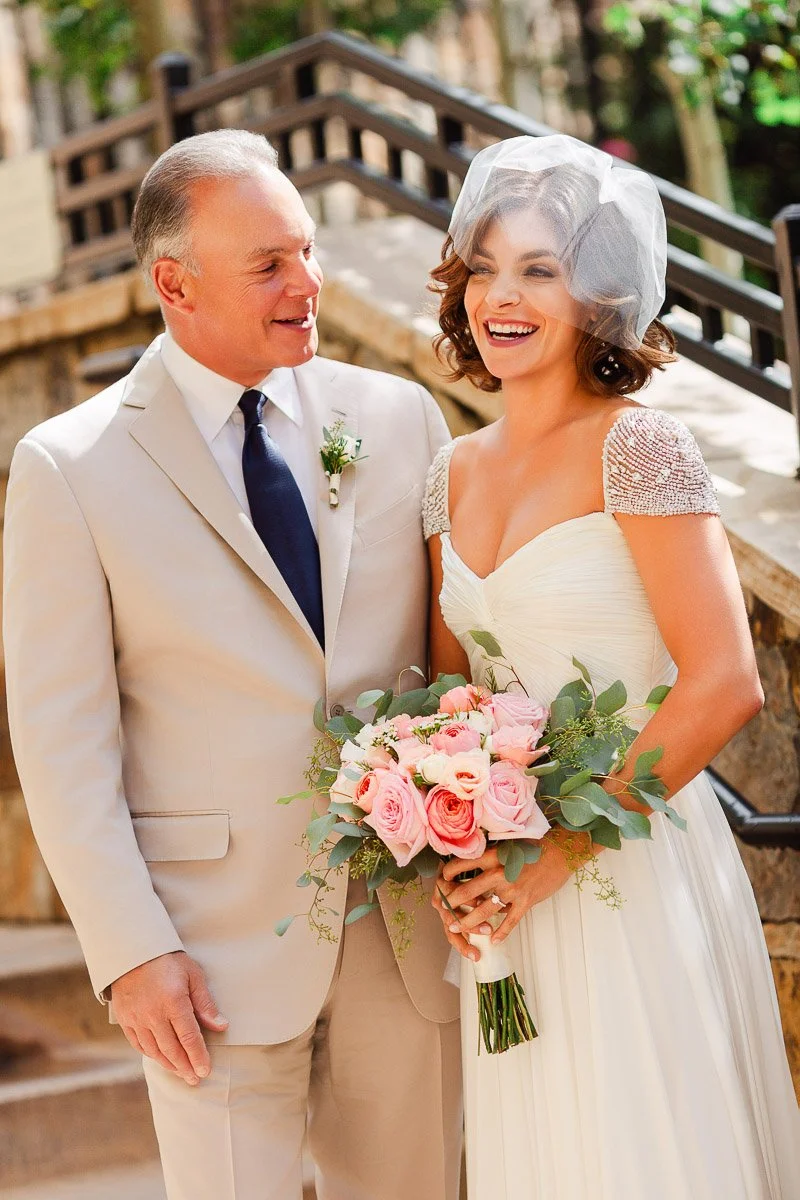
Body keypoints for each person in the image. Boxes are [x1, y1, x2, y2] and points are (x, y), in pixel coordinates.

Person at [3, 128, 462, 1200]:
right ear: (174, 282)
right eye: (268, 264)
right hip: (201, 958)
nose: (307, 282)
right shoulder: (68, 467)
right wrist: (127, 951)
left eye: (305, 251)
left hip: (401, 932)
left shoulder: (399, 419)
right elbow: (63, 739)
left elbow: (456, 667)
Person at [423, 134, 799, 1199]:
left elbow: (725, 680)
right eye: (486, 267)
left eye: (538, 270)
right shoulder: (444, 473)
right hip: (503, 895)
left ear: (596, 298)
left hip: (626, 866)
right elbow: (449, 703)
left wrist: (560, 852)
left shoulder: (638, 448)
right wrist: (438, 832)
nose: (502, 294)